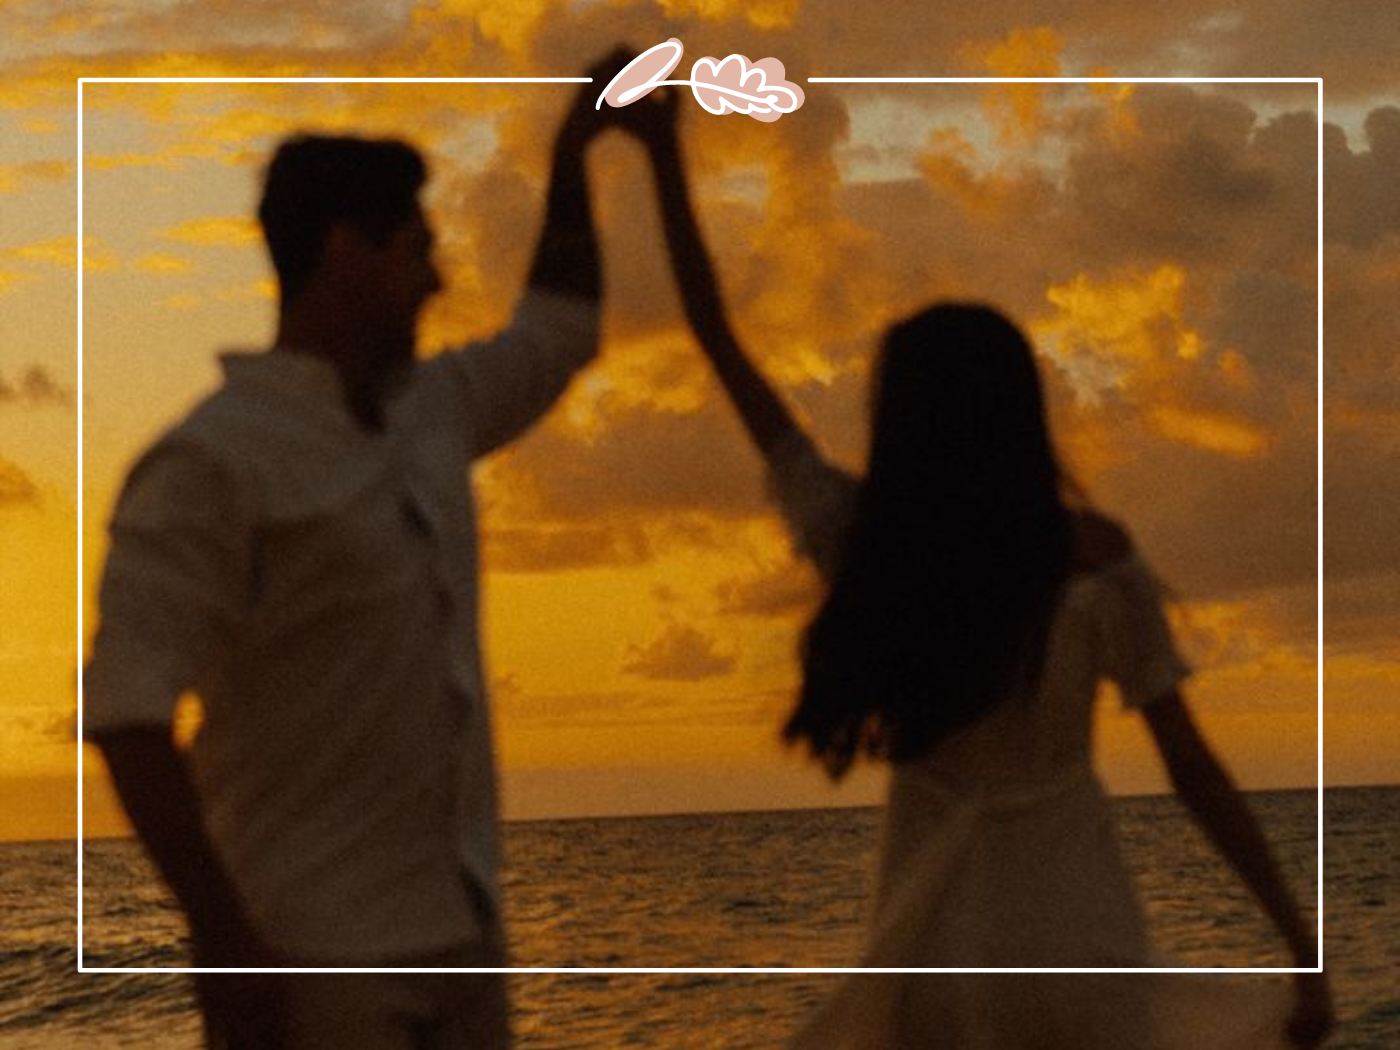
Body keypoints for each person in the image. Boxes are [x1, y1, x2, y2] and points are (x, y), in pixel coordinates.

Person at [634, 91, 1334, 1048]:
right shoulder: (1095, 560)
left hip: (936, 951)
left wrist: (660, 152)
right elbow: (1191, 766)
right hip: (1073, 945)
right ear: (1022, 417)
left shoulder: (865, 546)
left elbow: (719, 341)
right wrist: (1299, 940)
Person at [84, 51, 649, 1050]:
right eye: (417, 248)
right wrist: (225, 944)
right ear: (345, 247)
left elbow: (556, 333)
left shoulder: (428, 414)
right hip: (313, 963)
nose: (437, 276)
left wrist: (577, 142)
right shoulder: (213, 460)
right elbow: (128, 713)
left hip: (461, 942)